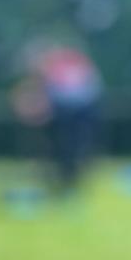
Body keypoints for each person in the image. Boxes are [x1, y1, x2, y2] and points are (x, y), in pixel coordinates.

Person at [14, 44, 103, 195]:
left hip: (70, 115)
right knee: (62, 150)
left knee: (69, 150)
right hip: (63, 116)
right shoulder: (55, 70)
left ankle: (67, 181)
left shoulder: (62, 69)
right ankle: (62, 180)